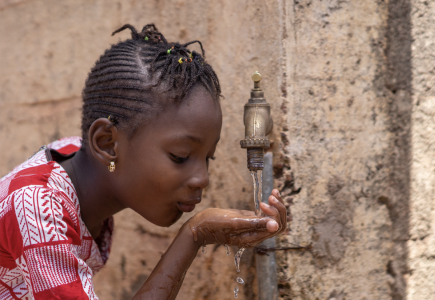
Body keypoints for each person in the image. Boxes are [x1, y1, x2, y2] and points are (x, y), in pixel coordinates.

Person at [0, 24, 287, 299]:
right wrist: (194, 234)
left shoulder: (75, 159)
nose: (202, 178)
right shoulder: (37, 207)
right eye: (181, 156)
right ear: (106, 143)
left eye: (207, 158)